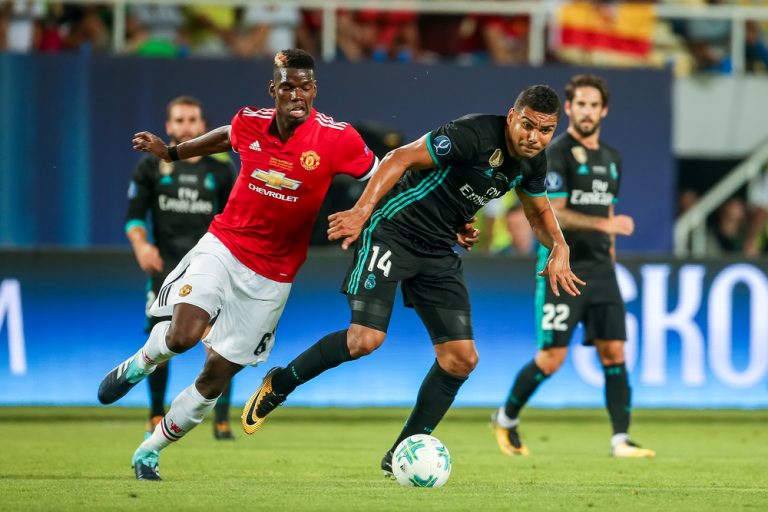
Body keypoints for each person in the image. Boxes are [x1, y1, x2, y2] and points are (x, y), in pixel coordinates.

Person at [240, 84, 584, 478]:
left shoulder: (532, 162)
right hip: (393, 229)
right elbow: (398, 157)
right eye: (527, 126)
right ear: (511, 116)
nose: (534, 137)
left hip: (439, 250)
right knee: (364, 340)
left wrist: (559, 244)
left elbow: (539, 212)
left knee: (461, 359)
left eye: (545, 130)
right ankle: (280, 384)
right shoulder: (472, 133)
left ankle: (401, 451)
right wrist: (360, 211)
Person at [97, 49, 379, 481]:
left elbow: (383, 173)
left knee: (215, 377)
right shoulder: (251, 121)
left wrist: (371, 213)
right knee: (185, 334)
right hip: (224, 247)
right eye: (288, 86)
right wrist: (172, 153)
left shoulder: (337, 138)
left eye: (305, 86)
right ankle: (142, 361)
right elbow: (227, 134)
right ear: (274, 89)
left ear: (315, 90)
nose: (297, 95)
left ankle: (150, 451)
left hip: (274, 276)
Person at [492, 74, 655, 459]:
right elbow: (556, 212)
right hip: (562, 268)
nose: (586, 111)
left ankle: (621, 441)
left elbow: (608, 209)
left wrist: (610, 249)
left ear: (603, 110)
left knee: (614, 353)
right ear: (568, 109)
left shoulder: (611, 159)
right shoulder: (557, 152)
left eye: (593, 105)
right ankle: (506, 418)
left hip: (602, 271)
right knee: (552, 359)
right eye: (579, 104)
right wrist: (606, 225)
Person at [125, 95, 236, 440]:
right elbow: (133, 219)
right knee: (161, 340)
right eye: (179, 120)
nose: (186, 126)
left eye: (192, 120)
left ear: (203, 126)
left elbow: (233, 220)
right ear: (168, 126)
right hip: (166, 267)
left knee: (221, 344)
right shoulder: (150, 168)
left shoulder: (220, 170)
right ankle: (156, 413)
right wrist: (142, 246)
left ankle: (221, 419)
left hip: (211, 265)